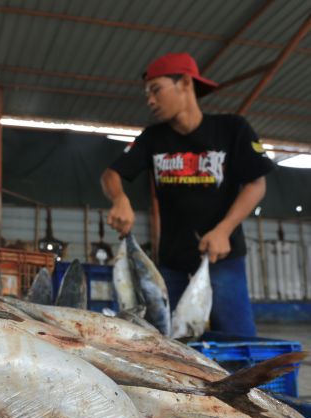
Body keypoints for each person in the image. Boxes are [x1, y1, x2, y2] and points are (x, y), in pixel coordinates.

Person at [101, 52, 274, 336]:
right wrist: (120, 198)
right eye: (147, 94)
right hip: (171, 262)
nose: (150, 101)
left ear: (184, 83)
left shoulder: (232, 129)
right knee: (164, 339)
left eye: (156, 90)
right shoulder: (153, 138)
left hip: (222, 256)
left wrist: (223, 230)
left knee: (236, 339)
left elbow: (257, 184)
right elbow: (111, 175)